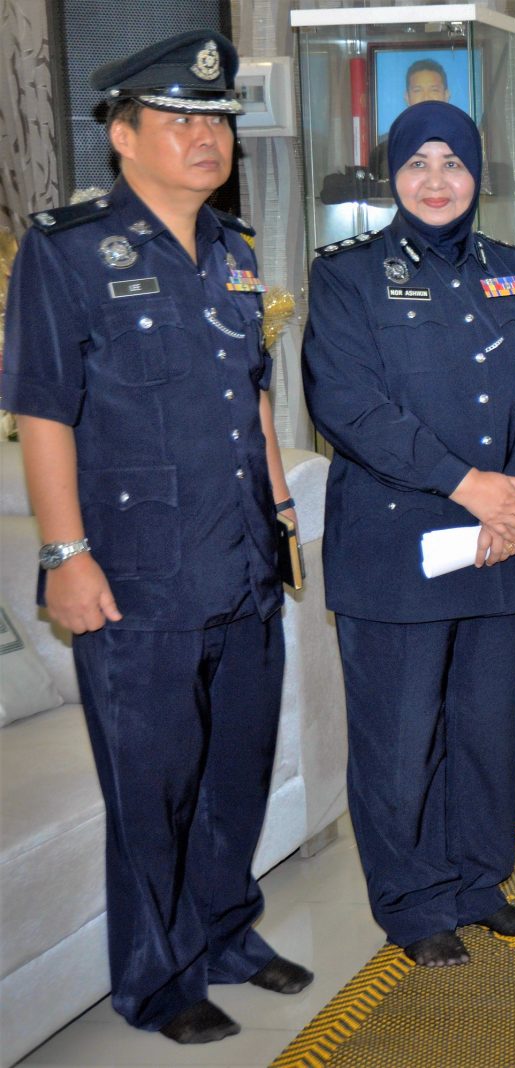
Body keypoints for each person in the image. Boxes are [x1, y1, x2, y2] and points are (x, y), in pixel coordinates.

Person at [0, 31, 313, 1044]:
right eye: (178, 119)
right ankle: (158, 980)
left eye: (216, 120)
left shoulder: (236, 250)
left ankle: (225, 934)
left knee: (237, 768)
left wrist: (282, 513)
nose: (205, 137)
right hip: (136, 574)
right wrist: (64, 555)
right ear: (123, 135)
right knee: (155, 785)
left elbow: (251, 396)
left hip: (242, 560)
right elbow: (43, 412)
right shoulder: (65, 249)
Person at [302, 100, 515, 968]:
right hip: (398, 544)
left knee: (483, 728)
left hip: (500, 539)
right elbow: (347, 404)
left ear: (477, 174)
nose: (435, 180)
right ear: (393, 176)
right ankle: (413, 903)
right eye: (417, 163)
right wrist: (471, 486)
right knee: (400, 737)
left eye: (452, 163)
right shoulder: (348, 274)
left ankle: (477, 885)